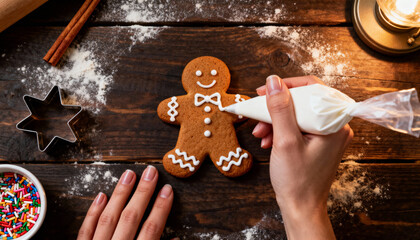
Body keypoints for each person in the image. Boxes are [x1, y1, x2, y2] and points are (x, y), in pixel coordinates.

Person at [77, 75, 353, 240]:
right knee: (186, 154)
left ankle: (230, 157)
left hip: (225, 146)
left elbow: (241, 109)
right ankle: (187, 156)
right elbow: (169, 108)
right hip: (190, 146)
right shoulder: (187, 102)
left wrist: (303, 206)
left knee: (229, 155)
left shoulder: (231, 101)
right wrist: (303, 208)